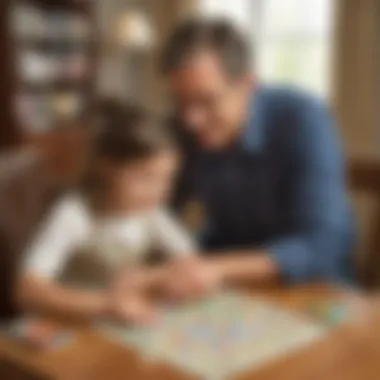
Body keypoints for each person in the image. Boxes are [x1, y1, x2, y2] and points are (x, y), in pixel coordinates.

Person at [159, 18, 355, 297]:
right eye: (180, 102)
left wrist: (215, 267)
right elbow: (169, 216)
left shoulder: (303, 118)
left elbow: (324, 245)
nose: (191, 120)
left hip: (315, 289)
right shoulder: (180, 131)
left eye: (207, 100)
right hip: (229, 290)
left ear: (248, 84)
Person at [15, 100, 196, 323]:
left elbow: (189, 261)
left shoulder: (150, 210)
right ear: (107, 169)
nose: (160, 193)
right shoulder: (75, 214)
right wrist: (106, 305)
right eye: (146, 178)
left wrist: (149, 277)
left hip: (120, 326)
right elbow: (28, 290)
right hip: (76, 324)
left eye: (167, 179)